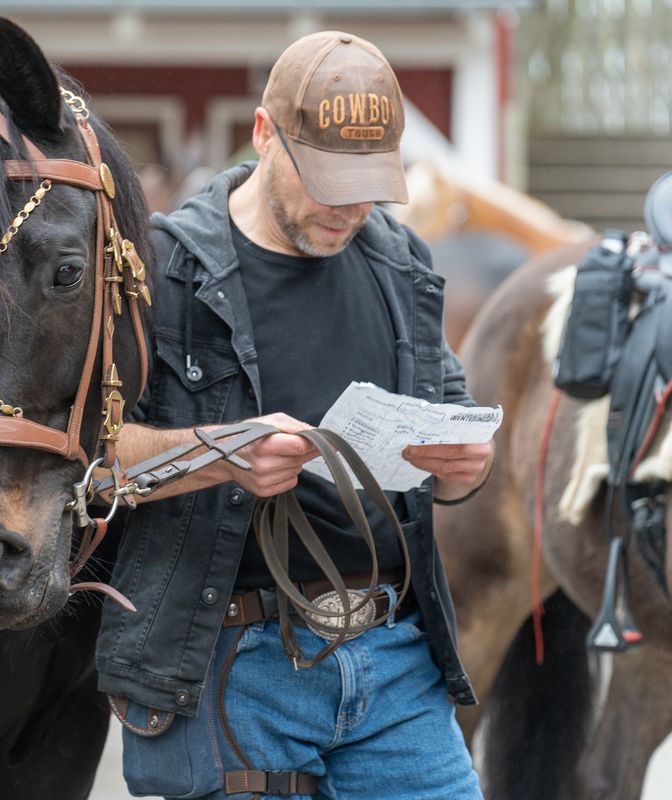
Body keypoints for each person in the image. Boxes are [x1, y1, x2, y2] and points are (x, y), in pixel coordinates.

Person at [97, 32, 495, 800]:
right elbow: (90, 461)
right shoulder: (162, 270)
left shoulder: (400, 261)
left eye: (369, 183)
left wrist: (460, 471)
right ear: (261, 134)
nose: (350, 207)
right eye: (327, 180)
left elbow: (446, 416)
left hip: (396, 662)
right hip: (232, 666)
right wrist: (218, 456)